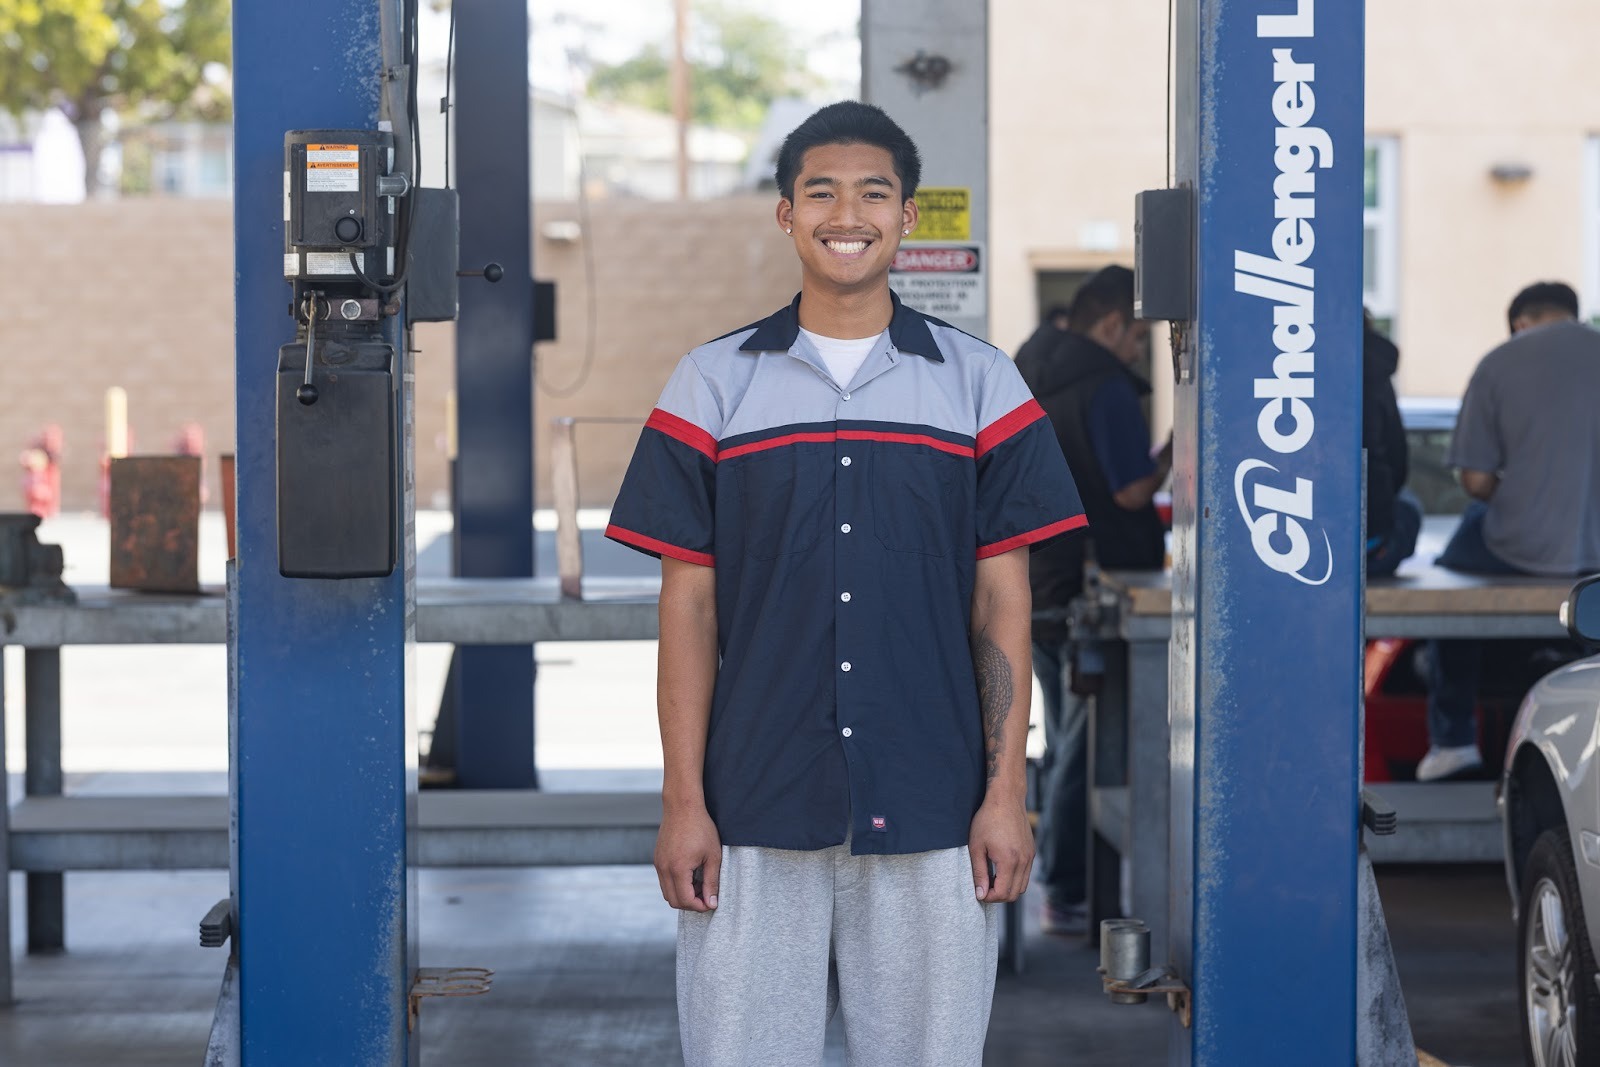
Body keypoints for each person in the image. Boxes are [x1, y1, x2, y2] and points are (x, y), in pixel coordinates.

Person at [605, 101, 1084, 1065]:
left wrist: (1005, 794)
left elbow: (1003, 605)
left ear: (909, 215)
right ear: (786, 214)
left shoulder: (984, 386)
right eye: (821, 190)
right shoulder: (710, 386)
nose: (847, 212)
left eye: (875, 191)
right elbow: (687, 607)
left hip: (933, 797)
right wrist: (683, 800)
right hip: (753, 799)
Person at [1013, 265, 1168, 936]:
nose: (1138, 350)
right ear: (1111, 325)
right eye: (1137, 336)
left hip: (1029, 580)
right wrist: (1173, 455)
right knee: (1085, 744)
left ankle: (1059, 879)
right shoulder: (1103, 387)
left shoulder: (1024, 366)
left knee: (1062, 734)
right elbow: (1132, 491)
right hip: (1088, 584)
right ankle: (1066, 885)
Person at [1418, 281, 1600, 781]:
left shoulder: (1499, 362)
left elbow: (1475, 481)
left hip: (1516, 548)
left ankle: (1453, 739)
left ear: (1520, 321)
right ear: (1572, 314)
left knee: (1449, 579)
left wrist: (1524, 495)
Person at [1363, 313, 1420, 577]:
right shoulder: (1373, 368)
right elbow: (1397, 461)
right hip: (1371, 548)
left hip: (1282, 544)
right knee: (1409, 505)